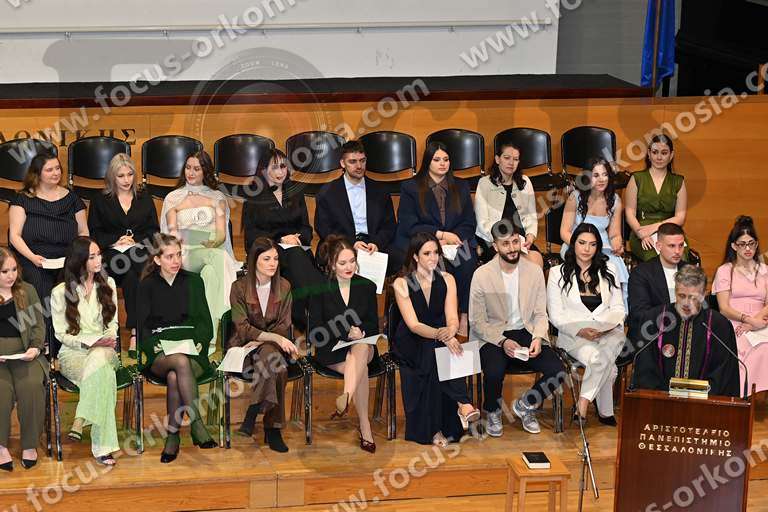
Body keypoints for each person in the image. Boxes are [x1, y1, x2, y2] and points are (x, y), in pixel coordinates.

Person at [469, 220, 565, 435]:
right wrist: (503, 341)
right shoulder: (482, 275)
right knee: (493, 371)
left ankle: (525, 405)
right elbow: (477, 321)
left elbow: (541, 313)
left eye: (515, 242)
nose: (512, 248)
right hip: (494, 334)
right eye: (505, 244)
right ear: (495, 246)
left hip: (526, 330)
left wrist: (538, 337)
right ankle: (492, 411)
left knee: (558, 370)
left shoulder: (534, 271)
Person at [393, 232, 480, 446]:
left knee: (446, 350)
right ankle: (463, 403)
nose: (433, 258)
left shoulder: (448, 279)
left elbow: (452, 317)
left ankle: (441, 425)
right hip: (411, 339)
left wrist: (451, 331)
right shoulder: (401, 283)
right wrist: (443, 336)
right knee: (438, 350)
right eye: (427, 253)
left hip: (438, 336)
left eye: (436, 253)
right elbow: (413, 325)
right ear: (415, 256)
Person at [136, 234, 218, 463]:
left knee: (175, 376)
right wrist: (153, 346)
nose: (176, 261)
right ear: (157, 259)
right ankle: (196, 424)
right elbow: (142, 327)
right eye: (169, 256)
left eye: (179, 255)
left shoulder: (194, 281)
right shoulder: (147, 285)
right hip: (161, 353)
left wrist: (201, 341)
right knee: (178, 362)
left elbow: (205, 322)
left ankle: (172, 436)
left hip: (192, 349)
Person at [394, 142, 477, 336]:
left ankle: (463, 316)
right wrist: (439, 236)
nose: (442, 163)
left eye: (446, 159)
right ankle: (434, 319)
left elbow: (469, 222)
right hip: (423, 242)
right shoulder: (411, 187)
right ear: (427, 162)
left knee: (467, 261)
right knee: (435, 262)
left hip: (454, 244)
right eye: (437, 159)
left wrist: (453, 239)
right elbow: (408, 224)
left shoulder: (461, 186)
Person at [50, 237, 120, 465]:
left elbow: (113, 325)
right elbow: (61, 334)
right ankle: (103, 449)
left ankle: (81, 417)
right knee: (104, 376)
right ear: (79, 260)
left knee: (100, 357)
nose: (99, 260)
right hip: (74, 354)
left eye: (99, 254)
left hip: (105, 350)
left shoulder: (108, 284)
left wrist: (105, 340)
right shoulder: (60, 292)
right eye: (92, 257)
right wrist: (86, 343)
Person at [548, 223, 625, 425]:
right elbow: (555, 315)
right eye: (582, 243)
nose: (586, 249)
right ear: (573, 244)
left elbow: (618, 307)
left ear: (598, 247)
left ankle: (582, 403)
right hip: (575, 337)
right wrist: (580, 330)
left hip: (608, 333)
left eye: (592, 244)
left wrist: (606, 327)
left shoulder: (610, 269)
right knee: (609, 368)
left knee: (609, 346)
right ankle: (605, 411)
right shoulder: (557, 273)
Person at [161, 150, 238, 350]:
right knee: (219, 258)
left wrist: (211, 243)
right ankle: (232, 309)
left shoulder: (217, 197)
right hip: (184, 253)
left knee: (211, 274)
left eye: (196, 168)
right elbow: (171, 235)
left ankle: (207, 339)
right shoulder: (173, 198)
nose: (191, 173)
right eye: (188, 168)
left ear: (205, 171)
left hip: (210, 249)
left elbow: (221, 235)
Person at [308, 235, 379, 453]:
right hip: (332, 350)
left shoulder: (367, 286)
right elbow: (314, 333)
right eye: (342, 263)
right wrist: (345, 332)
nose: (349, 267)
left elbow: (373, 325)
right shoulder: (319, 288)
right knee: (359, 369)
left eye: (352, 261)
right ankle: (365, 426)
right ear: (331, 264)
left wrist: (361, 332)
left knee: (362, 347)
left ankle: (346, 396)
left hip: (363, 345)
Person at [227, 237, 299, 452]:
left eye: (275, 258)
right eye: (266, 259)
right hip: (245, 349)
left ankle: (254, 410)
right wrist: (273, 338)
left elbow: (283, 325)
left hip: (272, 349)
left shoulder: (284, 286)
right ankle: (272, 429)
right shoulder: (238, 287)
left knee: (270, 356)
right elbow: (242, 327)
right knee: (278, 367)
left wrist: (268, 339)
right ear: (254, 260)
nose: (272, 263)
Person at [88, 153, 159, 359]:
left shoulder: (144, 197)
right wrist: (115, 240)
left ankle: (135, 332)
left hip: (139, 250)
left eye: (130, 174)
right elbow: (95, 233)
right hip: (112, 254)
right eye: (121, 176)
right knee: (136, 269)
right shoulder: (100, 200)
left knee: (132, 276)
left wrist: (135, 240)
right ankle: (140, 332)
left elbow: (154, 231)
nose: (127, 180)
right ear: (112, 177)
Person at [242, 148, 322, 328]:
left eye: (283, 166)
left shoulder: (295, 192)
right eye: (274, 167)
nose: (280, 172)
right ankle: (313, 319)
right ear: (264, 170)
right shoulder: (253, 195)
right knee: (299, 263)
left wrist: (297, 239)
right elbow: (251, 237)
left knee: (299, 260)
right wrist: (280, 240)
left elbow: (307, 229)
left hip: (298, 250)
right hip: (270, 252)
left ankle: (309, 319)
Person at [8, 152, 88, 331]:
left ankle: (69, 335)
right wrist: (32, 257)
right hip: (33, 258)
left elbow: (83, 232)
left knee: (75, 282)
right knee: (39, 284)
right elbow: (14, 236)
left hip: (67, 257)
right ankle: (43, 337)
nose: (56, 173)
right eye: (49, 170)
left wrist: (76, 257)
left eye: (58, 168)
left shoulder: (72, 199)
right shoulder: (23, 199)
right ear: (37, 173)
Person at [633, 265, 740, 397]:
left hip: (705, 404)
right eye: (682, 296)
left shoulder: (719, 326)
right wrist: (664, 395)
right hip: (660, 402)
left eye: (693, 297)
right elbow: (645, 368)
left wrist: (699, 396)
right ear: (675, 291)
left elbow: (723, 373)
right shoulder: (654, 319)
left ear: (703, 295)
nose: (686, 303)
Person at [314, 140, 397, 273]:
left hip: (373, 243)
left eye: (362, 161)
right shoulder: (327, 192)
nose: (359, 166)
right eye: (352, 161)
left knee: (398, 257)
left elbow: (389, 226)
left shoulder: (381, 191)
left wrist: (376, 243)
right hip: (342, 242)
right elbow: (324, 228)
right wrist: (351, 243)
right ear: (343, 163)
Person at [0, 248, 47, 471]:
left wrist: (35, 348)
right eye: (4, 271)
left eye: (13, 270)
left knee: (31, 386)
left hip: (25, 353)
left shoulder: (27, 291)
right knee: (1, 391)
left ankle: (30, 444)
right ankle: (1, 446)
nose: (11, 275)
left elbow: (38, 325)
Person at [560, 158, 629, 308]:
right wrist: (583, 246)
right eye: (596, 175)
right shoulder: (575, 197)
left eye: (605, 175)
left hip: (603, 244)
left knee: (615, 265)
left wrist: (618, 244)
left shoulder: (615, 200)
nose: (601, 179)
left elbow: (614, 234)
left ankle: (612, 309)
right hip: (575, 243)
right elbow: (564, 232)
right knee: (589, 262)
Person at [713, 216, 768, 396]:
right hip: (734, 323)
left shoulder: (764, 270)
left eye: (751, 244)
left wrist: (754, 322)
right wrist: (747, 320)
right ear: (734, 246)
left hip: (761, 322)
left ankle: (758, 396)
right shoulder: (725, 270)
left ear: (756, 244)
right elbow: (724, 308)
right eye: (742, 244)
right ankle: (743, 397)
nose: (748, 249)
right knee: (744, 348)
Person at [474, 141, 543, 267]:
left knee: (535, 261)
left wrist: (530, 236)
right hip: (492, 239)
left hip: (520, 238)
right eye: (507, 158)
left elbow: (531, 216)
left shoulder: (525, 181)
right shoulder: (484, 183)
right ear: (497, 159)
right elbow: (483, 223)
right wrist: (503, 241)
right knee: (505, 263)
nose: (511, 163)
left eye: (515, 159)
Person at [624, 134, 688, 261]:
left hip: (671, 232)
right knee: (655, 261)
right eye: (655, 152)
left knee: (681, 259)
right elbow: (629, 213)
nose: (659, 157)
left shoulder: (678, 182)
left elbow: (680, 218)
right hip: (641, 231)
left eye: (664, 153)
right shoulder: (636, 179)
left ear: (671, 155)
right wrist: (641, 234)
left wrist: (656, 227)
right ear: (649, 153)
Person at [627, 223, 688, 353]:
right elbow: (640, 314)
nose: (677, 251)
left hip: (685, 335)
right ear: (659, 246)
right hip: (652, 337)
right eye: (672, 246)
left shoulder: (690, 271)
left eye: (681, 245)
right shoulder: (641, 273)